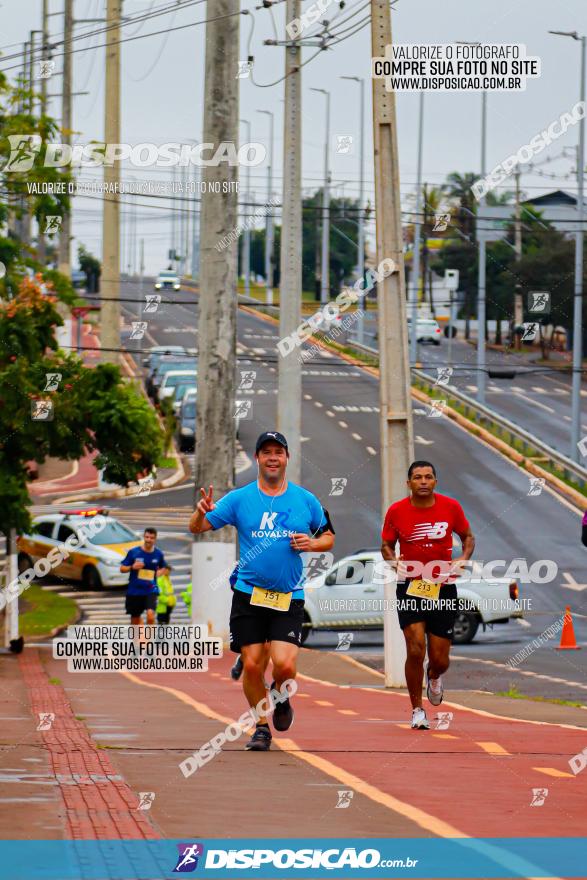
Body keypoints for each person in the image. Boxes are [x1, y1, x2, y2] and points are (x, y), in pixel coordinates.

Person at [189, 431, 335, 751]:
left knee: (284, 666)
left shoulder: (305, 499)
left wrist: (312, 543)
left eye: (278, 452)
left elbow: (328, 536)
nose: (272, 457)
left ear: (286, 459)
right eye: (266, 452)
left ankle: (281, 697)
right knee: (253, 665)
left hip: (288, 596)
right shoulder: (239, 499)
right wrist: (202, 511)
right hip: (249, 594)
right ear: (257, 458)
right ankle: (261, 727)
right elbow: (197, 527)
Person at [381, 461, 475, 730]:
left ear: (435, 481)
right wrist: (393, 562)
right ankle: (417, 710)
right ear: (408, 483)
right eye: (417, 477)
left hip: (442, 587)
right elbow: (386, 544)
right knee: (414, 648)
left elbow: (468, 536)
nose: (423, 481)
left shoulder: (451, 507)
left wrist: (463, 558)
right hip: (410, 586)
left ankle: (434, 676)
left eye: (428, 477)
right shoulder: (397, 511)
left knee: (440, 659)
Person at [120, 528, 169, 626]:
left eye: (152, 538)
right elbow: (122, 568)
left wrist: (158, 573)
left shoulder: (158, 554)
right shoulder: (134, 552)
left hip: (150, 590)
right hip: (134, 591)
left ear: (155, 539)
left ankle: (149, 640)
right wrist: (132, 567)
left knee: (150, 616)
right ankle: (136, 640)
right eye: (147, 537)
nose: (149, 540)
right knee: (135, 619)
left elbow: (164, 568)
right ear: (144, 537)